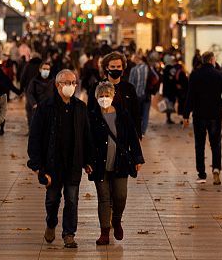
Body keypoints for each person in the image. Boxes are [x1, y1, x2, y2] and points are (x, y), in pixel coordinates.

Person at [27, 69, 94, 249]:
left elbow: (86, 136)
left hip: (73, 163)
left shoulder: (80, 107)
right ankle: (51, 223)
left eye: (73, 83)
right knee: (52, 200)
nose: (71, 86)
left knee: (72, 201)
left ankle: (69, 234)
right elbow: (35, 137)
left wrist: (88, 160)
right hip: (52, 164)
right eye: (67, 82)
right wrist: (37, 165)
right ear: (58, 85)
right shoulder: (45, 107)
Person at [88, 81, 143, 245]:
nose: (104, 99)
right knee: (104, 198)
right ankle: (104, 231)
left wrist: (138, 158)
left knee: (120, 196)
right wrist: (86, 162)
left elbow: (133, 138)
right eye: (101, 96)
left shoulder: (123, 115)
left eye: (107, 96)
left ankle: (116, 220)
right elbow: (87, 141)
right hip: (99, 165)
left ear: (113, 97)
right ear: (96, 97)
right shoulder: (92, 116)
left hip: (120, 163)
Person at [182, 52, 222, 185]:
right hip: (215, 115)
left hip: (199, 115)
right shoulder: (219, 75)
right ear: (212, 60)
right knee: (216, 143)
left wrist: (186, 115)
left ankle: (202, 174)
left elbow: (190, 96)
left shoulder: (195, 75)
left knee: (200, 144)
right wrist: (219, 104)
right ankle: (216, 168)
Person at [89, 52, 141, 138]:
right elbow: (90, 111)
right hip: (102, 134)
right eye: (113, 67)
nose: (116, 69)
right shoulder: (97, 86)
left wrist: (138, 135)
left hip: (125, 135)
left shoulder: (129, 88)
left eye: (118, 67)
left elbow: (135, 113)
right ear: (107, 67)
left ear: (122, 68)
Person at [0, 64, 22, 136]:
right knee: (2, 114)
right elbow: (12, 87)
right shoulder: (5, 78)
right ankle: (1, 129)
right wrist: (19, 92)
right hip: (4, 99)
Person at [25, 61, 54, 131]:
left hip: (49, 108)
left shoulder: (53, 81)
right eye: (44, 69)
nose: (46, 71)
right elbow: (29, 93)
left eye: (48, 69)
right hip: (37, 108)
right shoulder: (34, 81)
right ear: (40, 69)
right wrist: (34, 104)